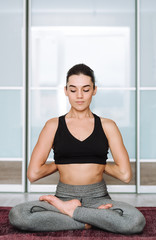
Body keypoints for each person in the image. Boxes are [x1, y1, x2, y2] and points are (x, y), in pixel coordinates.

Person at [9, 64, 146, 234]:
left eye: (86, 89)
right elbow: (33, 174)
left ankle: (72, 213)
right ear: (65, 91)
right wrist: (61, 163)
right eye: (73, 90)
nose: (79, 96)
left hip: (98, 198)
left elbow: (125, 175)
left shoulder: (108, 126)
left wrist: (98, 164)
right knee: (18, 215)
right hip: (63, 197)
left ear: (94, 90)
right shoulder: (53, 125)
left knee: (135, 221)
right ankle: (91, 219)